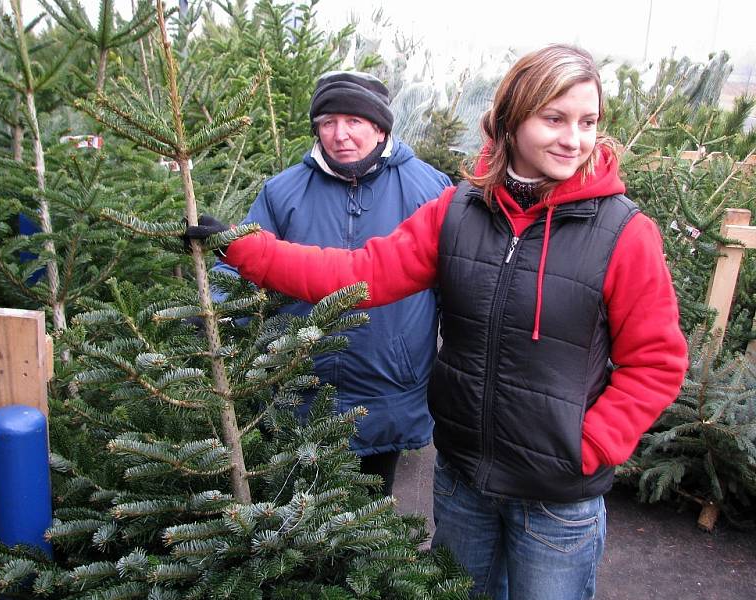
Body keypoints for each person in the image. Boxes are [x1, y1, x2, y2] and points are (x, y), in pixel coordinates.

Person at [188, 44, 689, 599]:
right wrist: (245, 249)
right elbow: (357, 272)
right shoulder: (457, 211)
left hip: (557, 499)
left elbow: (657, 361)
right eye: (555, 119)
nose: (574, 139)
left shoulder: (623, 232)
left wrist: (590, 445)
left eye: (588, 122)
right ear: (511, 120)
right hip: (463, 482)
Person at [205, 71, 451, 497]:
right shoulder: (284, 191)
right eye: (328, 122)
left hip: (387, 390)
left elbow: (455, 283)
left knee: (371, 512)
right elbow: (238, 267)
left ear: (379, 126)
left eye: (354, 121)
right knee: (297, 514)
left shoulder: (429, 190)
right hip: (301, 386)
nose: (341, 135)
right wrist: (217, 313)